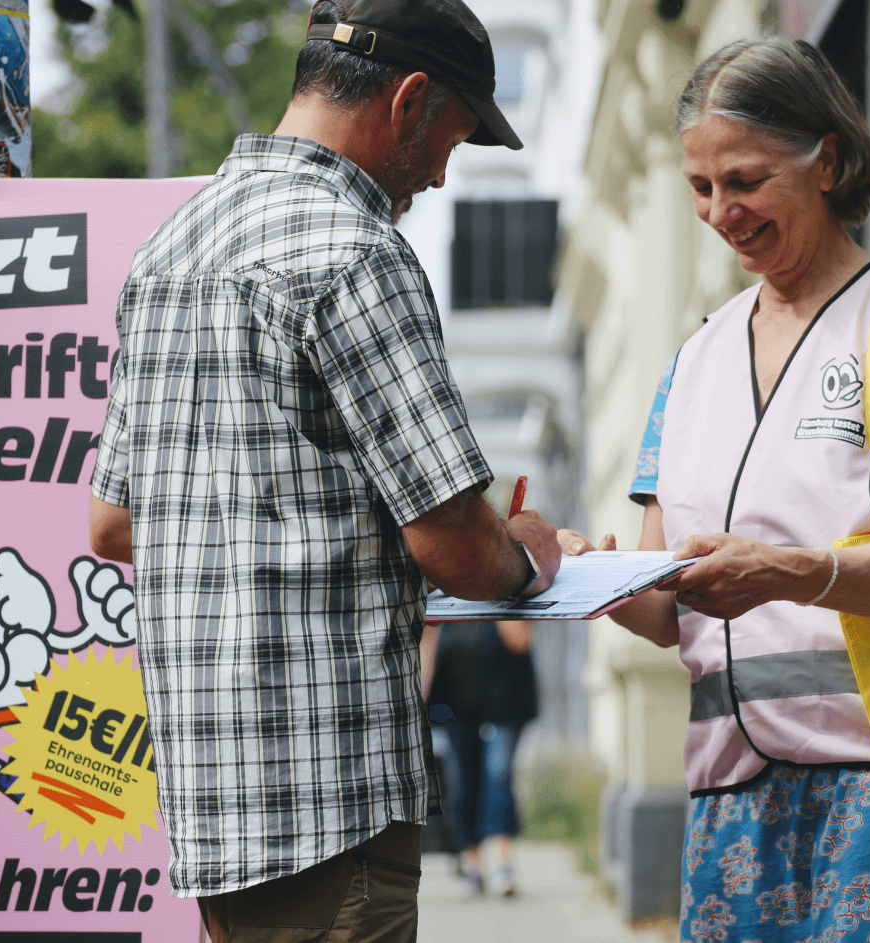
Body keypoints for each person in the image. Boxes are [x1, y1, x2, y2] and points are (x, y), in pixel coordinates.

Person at [87, 2, 561, 940]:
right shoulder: (354, 251)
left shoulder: (171, 249)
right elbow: (457, 548)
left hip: (212, 801)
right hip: (328, 795)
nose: (435, 176)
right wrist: (529, 558)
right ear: (409, 99)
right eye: (449, 145)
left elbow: (112, 524)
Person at [561, 37, 870, 941]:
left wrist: (784, 572)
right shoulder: (691, 363)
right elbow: (671, 610)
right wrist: (587, 580)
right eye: (700, 188)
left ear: (830, 161)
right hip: (730, 796)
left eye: (744, 179)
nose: (718, 212)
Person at [422, 619, 536, 896]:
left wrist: (491, 594)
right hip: (455, 710)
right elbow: (428, 649)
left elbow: (520, 640)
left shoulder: (502, 590)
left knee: (498, 780)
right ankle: (472, 865)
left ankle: (502, 864)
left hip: (502, 708)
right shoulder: (446, 597)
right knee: (462, 787)